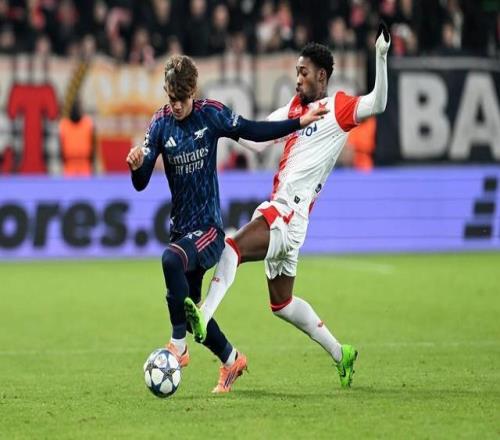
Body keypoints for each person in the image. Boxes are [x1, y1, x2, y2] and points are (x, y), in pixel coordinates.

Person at [185, 23, 391, 389]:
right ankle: (340, 352)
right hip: (289, 216)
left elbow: (378, 102)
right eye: (296, 71)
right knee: (282, 304)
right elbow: (255, 137)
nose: (298, 79)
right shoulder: (294, 110)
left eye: (304, 72)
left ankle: (204, 315)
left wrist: (381, 55)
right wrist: (219, 125)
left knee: (231, 248)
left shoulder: (337, 107)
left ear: (322, 76)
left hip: (288, 212)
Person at [126, 54, 327, 393]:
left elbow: (252, 130)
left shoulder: (211, 114)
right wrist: (136, 165)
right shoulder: (159, 124)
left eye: (182, 98)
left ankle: (178, 347)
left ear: (193, 92)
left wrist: (298, 122)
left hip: (208, 230)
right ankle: (232, 359)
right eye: (171, 98)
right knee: (191, 312)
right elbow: (141, 181)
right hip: (182, 230)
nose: (176, 105)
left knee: (170, 260)